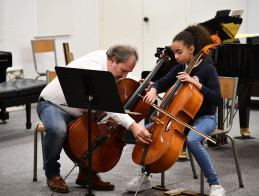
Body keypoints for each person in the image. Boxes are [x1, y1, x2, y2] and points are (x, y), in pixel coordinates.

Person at [126, 25, 226, 196]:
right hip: (179, 119)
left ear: (192, 49)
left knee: (193, 140)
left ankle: (215, 185)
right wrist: (153, 89)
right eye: (175, 52)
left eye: (179, 52)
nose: (176, 56)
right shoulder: (179, 68)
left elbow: (218, 99)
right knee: (144, 131)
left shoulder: (207, 70)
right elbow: (161, 82)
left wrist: (196, 83)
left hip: (205, 118)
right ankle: (145, 177)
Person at [37, 45, 152, 193]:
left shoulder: (111, 63)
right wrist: (133, 126)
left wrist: (139, 83)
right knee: (57, 129)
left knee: (93, 135)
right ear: (113, 60)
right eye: (123, 71)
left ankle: (86, 174)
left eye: (128, 72)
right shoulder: (93, 67)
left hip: (81, 111)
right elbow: (108, 105)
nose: (124, 76)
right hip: (53, 105)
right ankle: (52, 173)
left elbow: (126, 77)